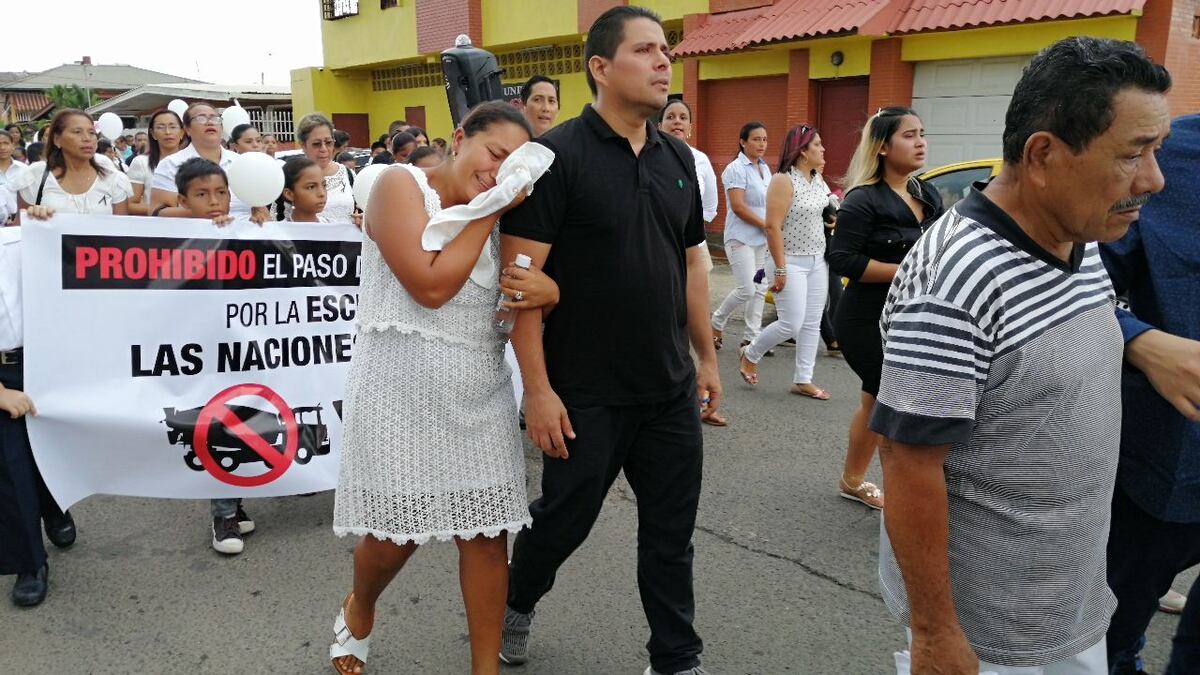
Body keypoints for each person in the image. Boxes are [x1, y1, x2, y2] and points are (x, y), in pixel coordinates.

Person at [871, 36, 1170, 674]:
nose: (1154, 179)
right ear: (1043, 154)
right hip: (989, 634)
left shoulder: (1079, 234)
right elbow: (907, 462)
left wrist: (1141, 345)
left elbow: (1049, 339)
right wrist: (934, 635)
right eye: (1133, 154)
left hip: (1068, 596)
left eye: (1157, 150)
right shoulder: (955, 279)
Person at [499, 8, 720, 675]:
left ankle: (676, 656)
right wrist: (537, 391)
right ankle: (517, 599)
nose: (663, 62)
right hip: (583, 394)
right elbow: (520, 285)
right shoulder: (554, 159)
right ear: (601, 67)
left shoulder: (678, 156)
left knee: (670, 537)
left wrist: (706, 356)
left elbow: (691, 265)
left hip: (667, 389)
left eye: (666, 51)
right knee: (562, 521)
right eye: (645, 50)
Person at [328, 101, 558, 675]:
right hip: (397, 388)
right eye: (494, 154)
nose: (498, 171)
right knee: (392, 538)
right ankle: (360, 605)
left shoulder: (510, 211)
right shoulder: (396, 185)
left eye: (512, 166)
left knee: (484, 536)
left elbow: (521, 299)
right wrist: (493, 204)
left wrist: (548, 292)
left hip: (477, 386)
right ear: (460, 137)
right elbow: (430, 287)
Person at [1100, 112, 1200, 675]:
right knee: (1110, 640)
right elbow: (1067, 278)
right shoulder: (1159, 157)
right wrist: (1140, 342)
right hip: (1164, 471)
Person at [825, 107, 942, 511]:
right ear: (882, 147)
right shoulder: (862, 200)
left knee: (874, 401)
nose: (921, 141)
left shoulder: (927, 194)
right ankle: (907, 494)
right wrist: (906, 271)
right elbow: (843, 260)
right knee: (892, 401)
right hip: (864, 320)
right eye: (909, 135)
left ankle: (852, 479)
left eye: (922, 133)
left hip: (910, 319)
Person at [0, 225, 77, 608]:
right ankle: (30, 562)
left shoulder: (24, 240)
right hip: (1, 376)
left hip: (43, 362)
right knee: (11, 470)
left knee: (48, 448)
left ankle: (53, 506)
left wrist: (51, 225)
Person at [739, 124, 832, 399]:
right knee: (791, 323)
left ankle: (803, 379)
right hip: (788, 261)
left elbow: (821, 209)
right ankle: (751, 352)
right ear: (802, 151)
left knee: (812, 323)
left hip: (817, 259)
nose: (823, 149)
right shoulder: (783, 180)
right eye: (817, 145)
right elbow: (772, 226)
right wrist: (779, 268)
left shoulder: (817, 177)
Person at [658, 98, 723, 426]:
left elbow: (709, 204)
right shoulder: (649, 157)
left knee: (694, 315)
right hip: (658, 249)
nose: (677, 122)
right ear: (660, 124)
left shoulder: (699, 160)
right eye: (670, 117)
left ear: (691, 126)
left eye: (683, 117)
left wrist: (689, 228)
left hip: (692, 247)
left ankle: (704, 392)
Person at [710, 122, 770, 355]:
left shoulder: (765, 169)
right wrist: (767, 225)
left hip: (762, 240)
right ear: (743, 142)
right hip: (740, 239)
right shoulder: (735, 169)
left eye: (764, 139)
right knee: (746, 288)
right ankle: (717, 321)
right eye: (756, 139)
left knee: (760, 287)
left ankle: (751, 338)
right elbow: (738, 207)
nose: (761, 144)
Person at [150, 103, 264, 222]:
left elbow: (260, 208)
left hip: (243, 235)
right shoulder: (170, 164)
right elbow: (156, 211)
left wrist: (260, 217)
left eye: (215, 118)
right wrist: (203, 213)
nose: (210, 122)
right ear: (187, 129)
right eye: (201, 118)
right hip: (195, 236)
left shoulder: (242, 163)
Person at [12, 109, 132, 221]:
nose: (87, 138)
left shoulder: (113, 178)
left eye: (91, 133)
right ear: (56, 139)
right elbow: (19, 229)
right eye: (77, 132)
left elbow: (120, 233)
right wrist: (33, 219)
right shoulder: (35, 176)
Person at [292, 114, 358, 226]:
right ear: (303, 145)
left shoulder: (348, 175)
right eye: (316, 144)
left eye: (328, 143)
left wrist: (361, 220)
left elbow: (360, 211)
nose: (324, 149)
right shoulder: (292, 177)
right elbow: (279, 223)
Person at [127, 109, 186, 216]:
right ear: (153, 134)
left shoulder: (194, 161)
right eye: (160, 127)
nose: (167, 132)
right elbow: (130, 204)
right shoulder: (141, 162)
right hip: (155, 227)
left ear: (182, 132)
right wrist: (160, 210)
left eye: (173, 127)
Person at [277, 155, 328, 222]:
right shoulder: (280, 231)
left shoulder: (334, 228)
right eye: (311, 187)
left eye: (324, 185)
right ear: (289, 194)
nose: (322, 193)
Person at [0, 130, 28, 216]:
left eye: (6, 143)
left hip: (21, 221)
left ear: (13, 146)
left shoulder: (24, 169)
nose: (2, 147)